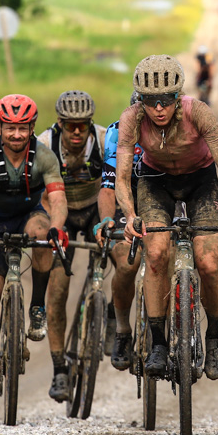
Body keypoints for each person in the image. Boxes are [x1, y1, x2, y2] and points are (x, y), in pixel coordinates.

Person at [115, 54, 218, 381]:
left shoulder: (198, 112)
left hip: (200, 181)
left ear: (177, 97)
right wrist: (130, 215)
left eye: (166, 101)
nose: (158, 109)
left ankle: (213, 335)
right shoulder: (132, 118)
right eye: (150, 101)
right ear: (140, 100)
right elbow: (121, 176)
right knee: (156, 253)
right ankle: (158, 343)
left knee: (209, 263)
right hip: (155, 182)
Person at [0, 94, 68, 407]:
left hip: (28, 216)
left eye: (23, 128)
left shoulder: (46, 157)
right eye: (10, 128)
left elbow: (58, 200)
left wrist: (58, 228)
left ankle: (37, 307)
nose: (17, 134)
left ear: (32, 127)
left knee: (43, 232)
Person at [35, 90, 109, 402]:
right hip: (59, 211)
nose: (77, 131)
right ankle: (59, 371)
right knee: (58, 288)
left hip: (94, 209)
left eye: (82, 125)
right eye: (70, 125)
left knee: (124, 256)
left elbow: (120, 179)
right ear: (59, 123)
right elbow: (33, 189)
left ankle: (116, 321)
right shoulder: (44, 144)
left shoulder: (105, 140)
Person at [96, 91, 145, 372]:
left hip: (162, 200)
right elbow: (108, 185)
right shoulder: (116, 132)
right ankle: (123, 330)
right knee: (128, 264)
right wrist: (106, 220)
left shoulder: (174, 133)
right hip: (125, 200)